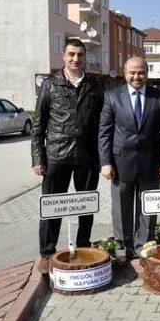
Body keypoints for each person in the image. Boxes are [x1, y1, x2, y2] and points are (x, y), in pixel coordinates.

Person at [31, 38, 104, 274]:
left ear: (85, 57)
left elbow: (103, 124)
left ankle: (83, 246)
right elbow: (38, 125)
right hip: (56, 156)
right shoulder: (50, 85)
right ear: (64, 56)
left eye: (80, 55)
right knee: (52, 207)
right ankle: (46, 252)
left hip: (87, 157)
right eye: (71, 54)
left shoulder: (94, 85)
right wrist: (38, 158)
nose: (76, 59)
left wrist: (104, 159)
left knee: (86, 206)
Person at [98, 57, 160, 260]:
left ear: (146, 73)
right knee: (121, 208)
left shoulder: (159, 97)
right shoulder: (112, 96)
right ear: (125, 73)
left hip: (151, 163)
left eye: (141, 72)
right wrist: (105, 162)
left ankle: (144, 247)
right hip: (119, 164)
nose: (136, 76)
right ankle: (123, 248)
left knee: (148, 208)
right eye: (132, 72)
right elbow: (104, 132)